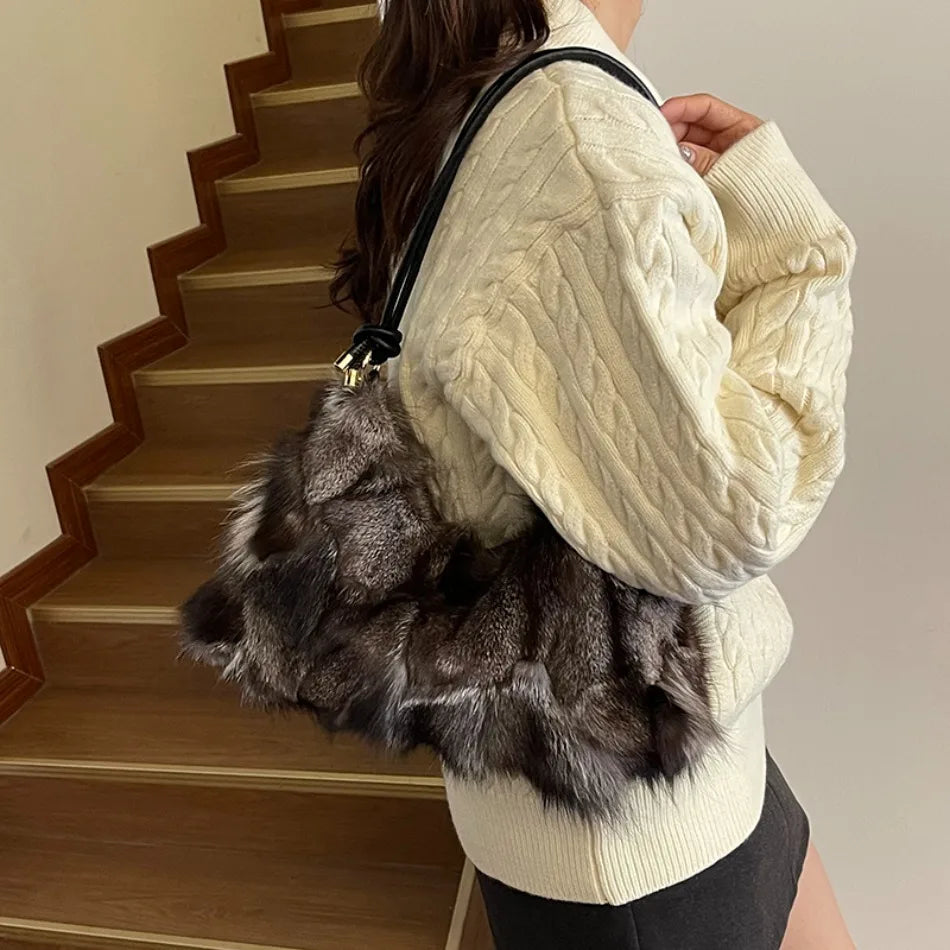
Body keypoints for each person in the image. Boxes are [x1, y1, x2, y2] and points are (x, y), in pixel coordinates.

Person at [332, 1, 857, 947]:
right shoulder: (569, 131)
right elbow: (737, 512)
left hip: (648, 773)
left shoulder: (471, 91)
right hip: (638, 827)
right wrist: (794, 254)